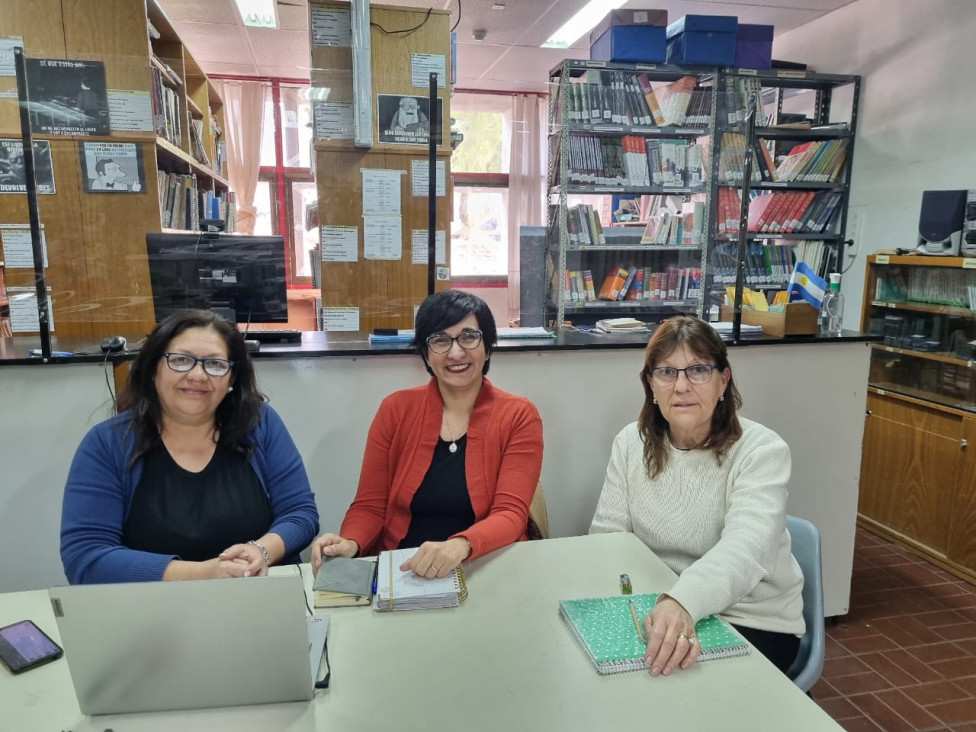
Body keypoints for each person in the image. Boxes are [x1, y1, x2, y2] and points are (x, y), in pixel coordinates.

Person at [589, 315, 804, 677]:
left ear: (723, 380)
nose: (682, 386)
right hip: (659, 605)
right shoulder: (631, 442)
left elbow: (745, 551)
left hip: (749, 617)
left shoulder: (762, 450)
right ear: (651, 385)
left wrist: (681, 601)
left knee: (662, 685)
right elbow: (609, 536)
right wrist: (624, 597)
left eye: (698, 370)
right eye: (667, 372)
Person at [60, 309, 319, 584]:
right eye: (181, 360)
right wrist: (203, 574)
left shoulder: (260, 423)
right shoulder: (107, 443)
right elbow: (86, 556)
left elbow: (300, 513)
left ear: (232, 379)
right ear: (152, 369)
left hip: (255, 596)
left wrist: (261, 551)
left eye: (215, 365)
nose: (198, 375)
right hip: (149, 612)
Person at [311, 290, 543, 579]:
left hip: (484, 566)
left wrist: (460, 545)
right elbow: (370, 505)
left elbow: (510, 514)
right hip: (404, 570)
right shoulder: (395, 409)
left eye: (469, 336)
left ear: (487, 345)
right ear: (425, 352)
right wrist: (351, 543)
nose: (456, 352)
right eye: (440, 340)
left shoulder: (518, 415)